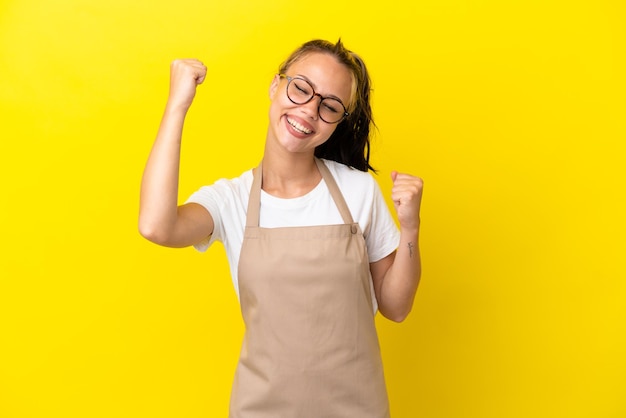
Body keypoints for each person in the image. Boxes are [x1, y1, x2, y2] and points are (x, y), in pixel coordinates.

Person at [139, 39, 424, 418]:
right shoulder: (231, 200)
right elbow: (156, 226)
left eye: (329, 106)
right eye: (301, 88)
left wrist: (410, 229)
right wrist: (178, 105)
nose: (309, 110)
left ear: (338, 122)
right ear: (276, 85)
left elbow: (396, 307)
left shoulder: (358, 191)